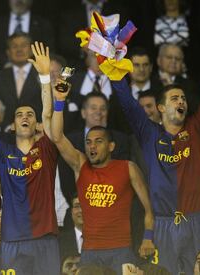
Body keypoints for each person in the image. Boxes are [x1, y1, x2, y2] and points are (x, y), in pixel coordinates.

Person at [108, 19, 200, 275]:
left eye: (183, 97)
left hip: (198, 220)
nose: (181, 100)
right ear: (161, 108)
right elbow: (128, 104)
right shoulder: (148, 133)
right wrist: (116, 76)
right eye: (174, 98)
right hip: (163, 225)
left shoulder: (196, 128)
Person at [0, 42, 61, 274]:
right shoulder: (3, 152)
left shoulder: (47, 148)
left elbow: (49, 114)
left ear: (36, 123)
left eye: (30, 115)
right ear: (13, 125)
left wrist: (44, 78)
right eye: (19, 114)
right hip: (12, 240)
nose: (25, 117)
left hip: (45, 238)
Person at [51, 82, 155, 274]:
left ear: (111, 146)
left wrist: (148, 237)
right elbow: (57, 138)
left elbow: (149, 208)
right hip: (90, 250)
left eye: (99, 142)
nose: (92, 147)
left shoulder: (128, 168)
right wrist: (59, 102)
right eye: (89, 142)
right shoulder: (81, 166)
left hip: (121, 250)